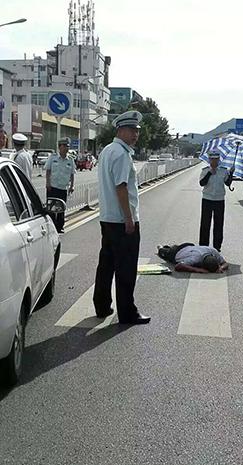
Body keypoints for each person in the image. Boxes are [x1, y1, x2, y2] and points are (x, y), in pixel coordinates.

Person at [93, 111, 150, 325]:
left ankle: (102, 305)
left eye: (137, 131)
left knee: (106, 264)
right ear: (120, 130)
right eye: (132, 130)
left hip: (107, 218)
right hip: (121, 221)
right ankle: (127, 312)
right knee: (126, 268)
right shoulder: (122, 154)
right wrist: (129, 218)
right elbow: (121, 187)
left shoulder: (108, 150)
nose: (135, 134)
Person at [199, 150, 234, 251]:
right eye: (212, 159)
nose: (214, 162)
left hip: (219, 200)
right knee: (205, 224)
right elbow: (202, 183)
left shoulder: (223, 170)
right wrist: (210, 173)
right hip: (207, 199)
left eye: (216, 159)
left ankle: (217, 247)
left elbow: (227, 183)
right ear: (209, 160)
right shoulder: (205, 170)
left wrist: (231, 173)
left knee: (218, 224)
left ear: (219, 160)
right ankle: (203, 246)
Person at [45, 137, 75, 233]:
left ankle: (60, 226)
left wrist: (72, 186)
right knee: (52, 208)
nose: (66, 148)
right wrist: (48, 183)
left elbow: (72, 174)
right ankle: (52, 226)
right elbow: (48, 171)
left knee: (61, 208)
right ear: (59, 147)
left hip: (63, 188)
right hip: (52, 187)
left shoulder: (70, 160)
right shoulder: (53, 158)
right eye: (64, 146)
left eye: (67, 146)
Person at [159, 243, 229, 273]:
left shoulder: (214, 251)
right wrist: (198, 270)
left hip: (190, 246)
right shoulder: (195, 258)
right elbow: (178, 266)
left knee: (173, 247)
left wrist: (221, 268)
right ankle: (161, 248)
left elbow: (225, 263)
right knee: (164, 252)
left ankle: (169, 247)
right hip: (175, 253)